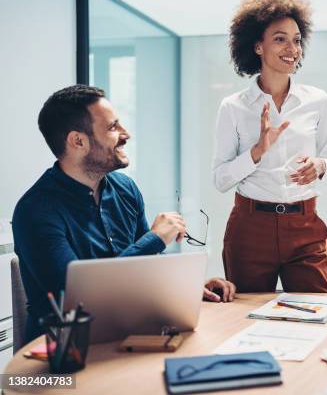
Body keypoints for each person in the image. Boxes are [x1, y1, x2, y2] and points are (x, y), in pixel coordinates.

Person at [12, 85, 236, 343]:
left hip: (127, 334)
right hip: (65, 351)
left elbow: (145, 272)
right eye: (112, 127)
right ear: (78, 141)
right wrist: (153, 239)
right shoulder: (35, 211)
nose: (125, 134)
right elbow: (78, 302)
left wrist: (187, 290)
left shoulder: (125, 188)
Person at [213, 0, 327, 293]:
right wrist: (257, 152)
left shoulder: (317, 101)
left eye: (296, 40)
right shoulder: (233, 107)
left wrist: (319, 166)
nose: (292, 49)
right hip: (250, 228)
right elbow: (220, 179)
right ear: (257, 46)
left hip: (305, 225)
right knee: (245, 318)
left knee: (319, 311)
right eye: (280, 39)